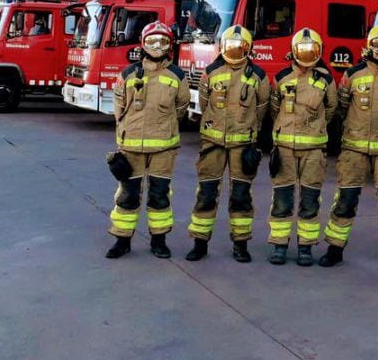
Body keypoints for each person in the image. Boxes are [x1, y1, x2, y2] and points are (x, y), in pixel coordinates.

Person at [319, 24, 378, 271]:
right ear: (369, 46)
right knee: (346, 200)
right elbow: (341, 107)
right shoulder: (353, 74)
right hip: (354, 149)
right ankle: (334, 249)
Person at [104, 21, 190, 259]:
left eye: (162, 41)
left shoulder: (177, 75)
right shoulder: (128, 74)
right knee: (127, 195)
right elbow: (118, 107)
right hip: (130, 146)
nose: (157, 46)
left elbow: (181, 106)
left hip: (163, 147)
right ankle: (122, 240)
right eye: (152, 41)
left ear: (169, 45)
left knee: (160, 195)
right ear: (143, 44)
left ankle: (158, 241)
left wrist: (165, 126)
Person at [185, 25, 271, 263]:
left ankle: (241, 245)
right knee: (206, 193)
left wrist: (249, 130)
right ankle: (199, 243)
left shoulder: (258, 76)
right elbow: (204, 103)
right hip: (213, 143)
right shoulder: (210, 71)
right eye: (230, 46)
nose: (234, 50)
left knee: (241, 196)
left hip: (243, 144)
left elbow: (262, 108)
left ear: (248, 48)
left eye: (239, 46)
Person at [267, 28, 338, 266]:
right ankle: (279, 245)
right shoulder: (281, 77)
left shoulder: (326, 80)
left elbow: (330, 110)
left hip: (314, 150)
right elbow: (273, 109)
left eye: (312, 50)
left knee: (310, 200)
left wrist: (315, 130)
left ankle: (306, 247)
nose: (307, 54)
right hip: (285, 147)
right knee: (282, 199)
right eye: (303, 50)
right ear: (293, 51)